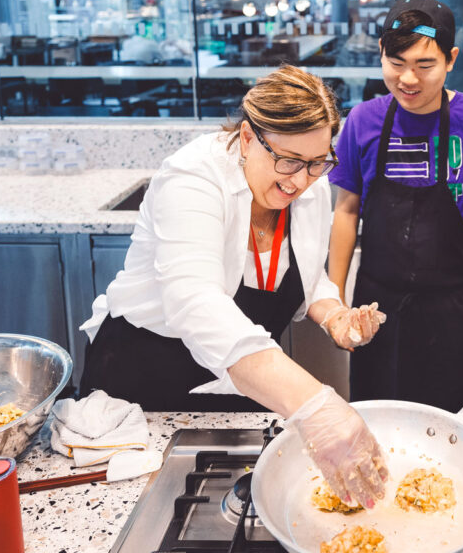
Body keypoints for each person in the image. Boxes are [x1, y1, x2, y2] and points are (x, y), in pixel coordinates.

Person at [79, 65, 388, 506]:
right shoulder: (193, 178)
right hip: (143, 386)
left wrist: (334, 314)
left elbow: (306, 270)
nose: (298, 180)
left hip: (234, 387)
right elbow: (195, 301)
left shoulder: (306, 186)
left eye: (316, 163)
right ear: (247, 138)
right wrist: (315, 404)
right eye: (287, 160)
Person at [328, 0, 463, 412]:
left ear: (451, 59)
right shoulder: (363, 121)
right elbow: (346, 210)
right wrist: (336, 302)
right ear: (381, 55)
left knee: (450, 427)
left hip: (450, 312)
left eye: (424, 66)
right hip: (374, 306)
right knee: (374, 425)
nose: (408, 78)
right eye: (396, 62)